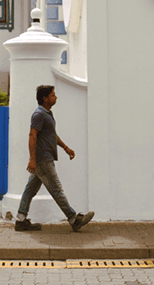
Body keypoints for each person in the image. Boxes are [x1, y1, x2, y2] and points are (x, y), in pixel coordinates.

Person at [15, 85, 94, 232]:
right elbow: (32, 135)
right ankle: (73, 218)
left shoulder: (47, 114)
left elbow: (51, 135)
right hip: (43, 160)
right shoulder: (38, 114)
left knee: (30, 190)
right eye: (53, 95)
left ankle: (21, 220)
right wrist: (32, 159)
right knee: (56, 189)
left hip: (43, 158)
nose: (55, 97)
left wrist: (66, 148)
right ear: (45, 99)